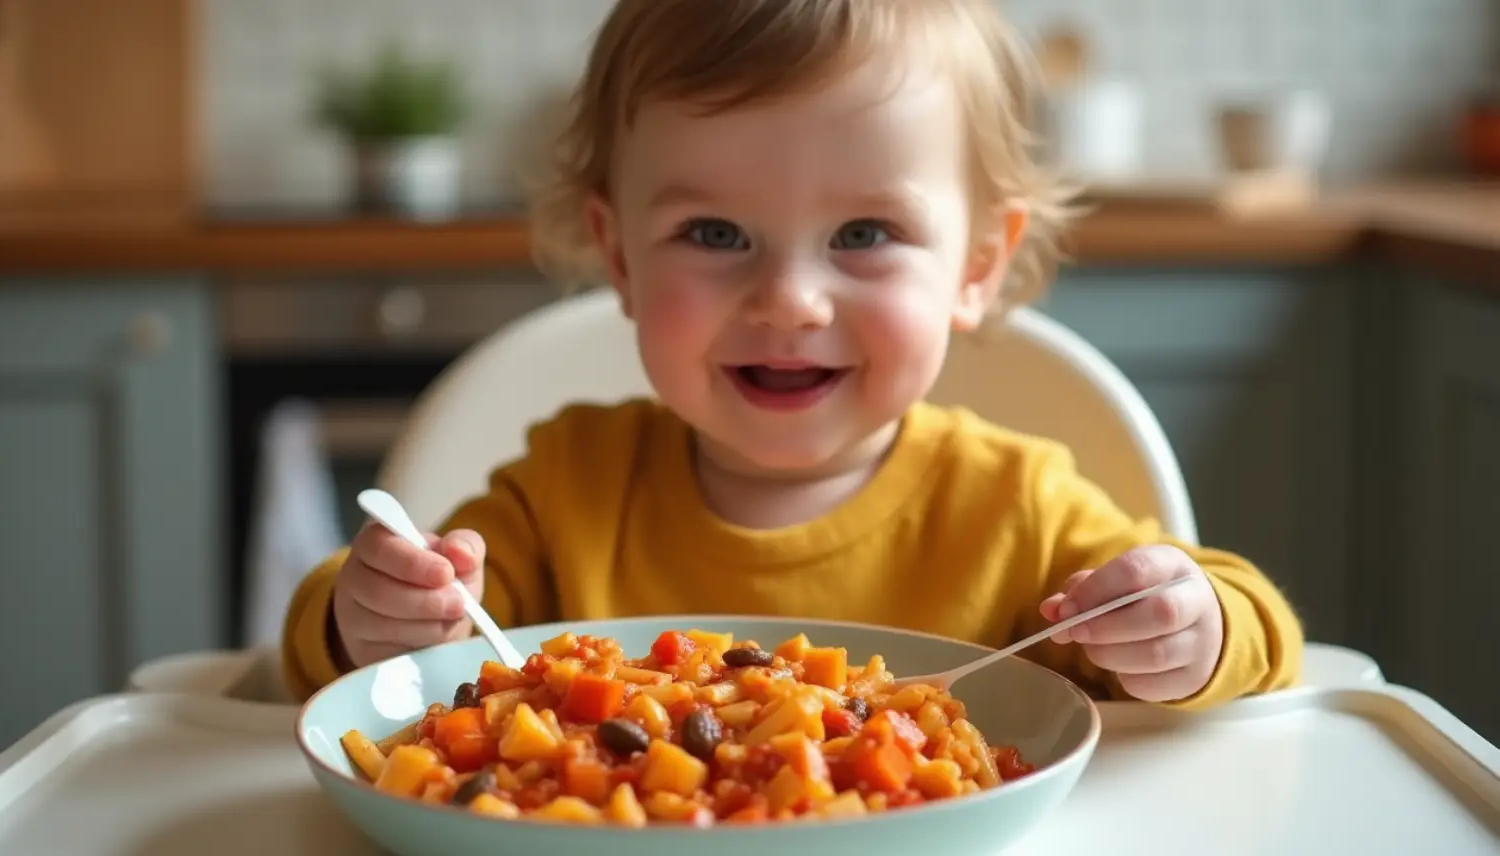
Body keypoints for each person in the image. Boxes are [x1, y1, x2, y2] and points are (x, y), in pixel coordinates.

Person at [281, 0, 1304, 708]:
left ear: (976, 263)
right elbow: (378, 650)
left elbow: (1257, 627)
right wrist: (372, 619)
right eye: (715, 235)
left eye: (862, 235)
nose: (787, 300)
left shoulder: (1016, 508)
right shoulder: (564, 489)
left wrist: (1193, 627)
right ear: (617, 254)